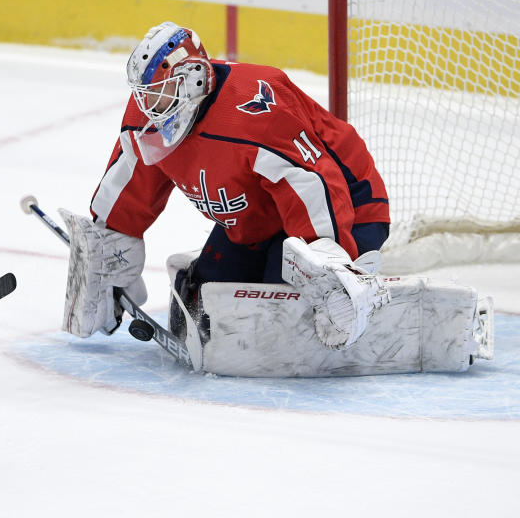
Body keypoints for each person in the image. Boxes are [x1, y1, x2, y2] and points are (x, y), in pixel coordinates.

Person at [60, 21, 392, 352]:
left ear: (193, 78)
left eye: (159, 95)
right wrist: (110, 252)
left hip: (348, 205)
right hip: (260, 218)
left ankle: (352, 269)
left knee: (281, 314)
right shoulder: (152, 118)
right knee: (201, 300)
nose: (149, 107)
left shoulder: (254, 110)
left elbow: (314, 182)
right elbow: (127, 196)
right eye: (146, 95)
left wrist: (326, 263)